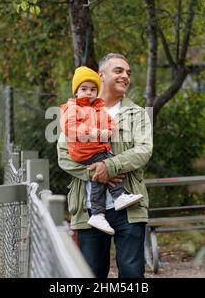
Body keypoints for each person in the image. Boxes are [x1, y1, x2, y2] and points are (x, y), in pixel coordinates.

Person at [57, 53, 153, 278]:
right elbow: (64, 155)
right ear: (101, 76)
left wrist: (109, 167)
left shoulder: (137, 113)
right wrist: (95, 174)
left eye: (128, 73)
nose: (125, 76)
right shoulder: (75, 111)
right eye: (119, 71)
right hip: (88, 208)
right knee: (91, 273)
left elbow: (143, 150)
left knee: (132, 274)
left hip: (129, 206)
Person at [59, 66, 144, 235]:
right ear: (76, 91)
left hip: (96, 149)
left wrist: (111, 129)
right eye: (84, 89)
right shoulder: (72, 108)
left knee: (106, 162)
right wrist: (96, 133)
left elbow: (109, 122)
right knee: (103, 164)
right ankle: (107, 205)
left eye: (92, 89)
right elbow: (71, 128)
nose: (88, 93)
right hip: (83, 151)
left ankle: (107, 207)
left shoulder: (98, 108)